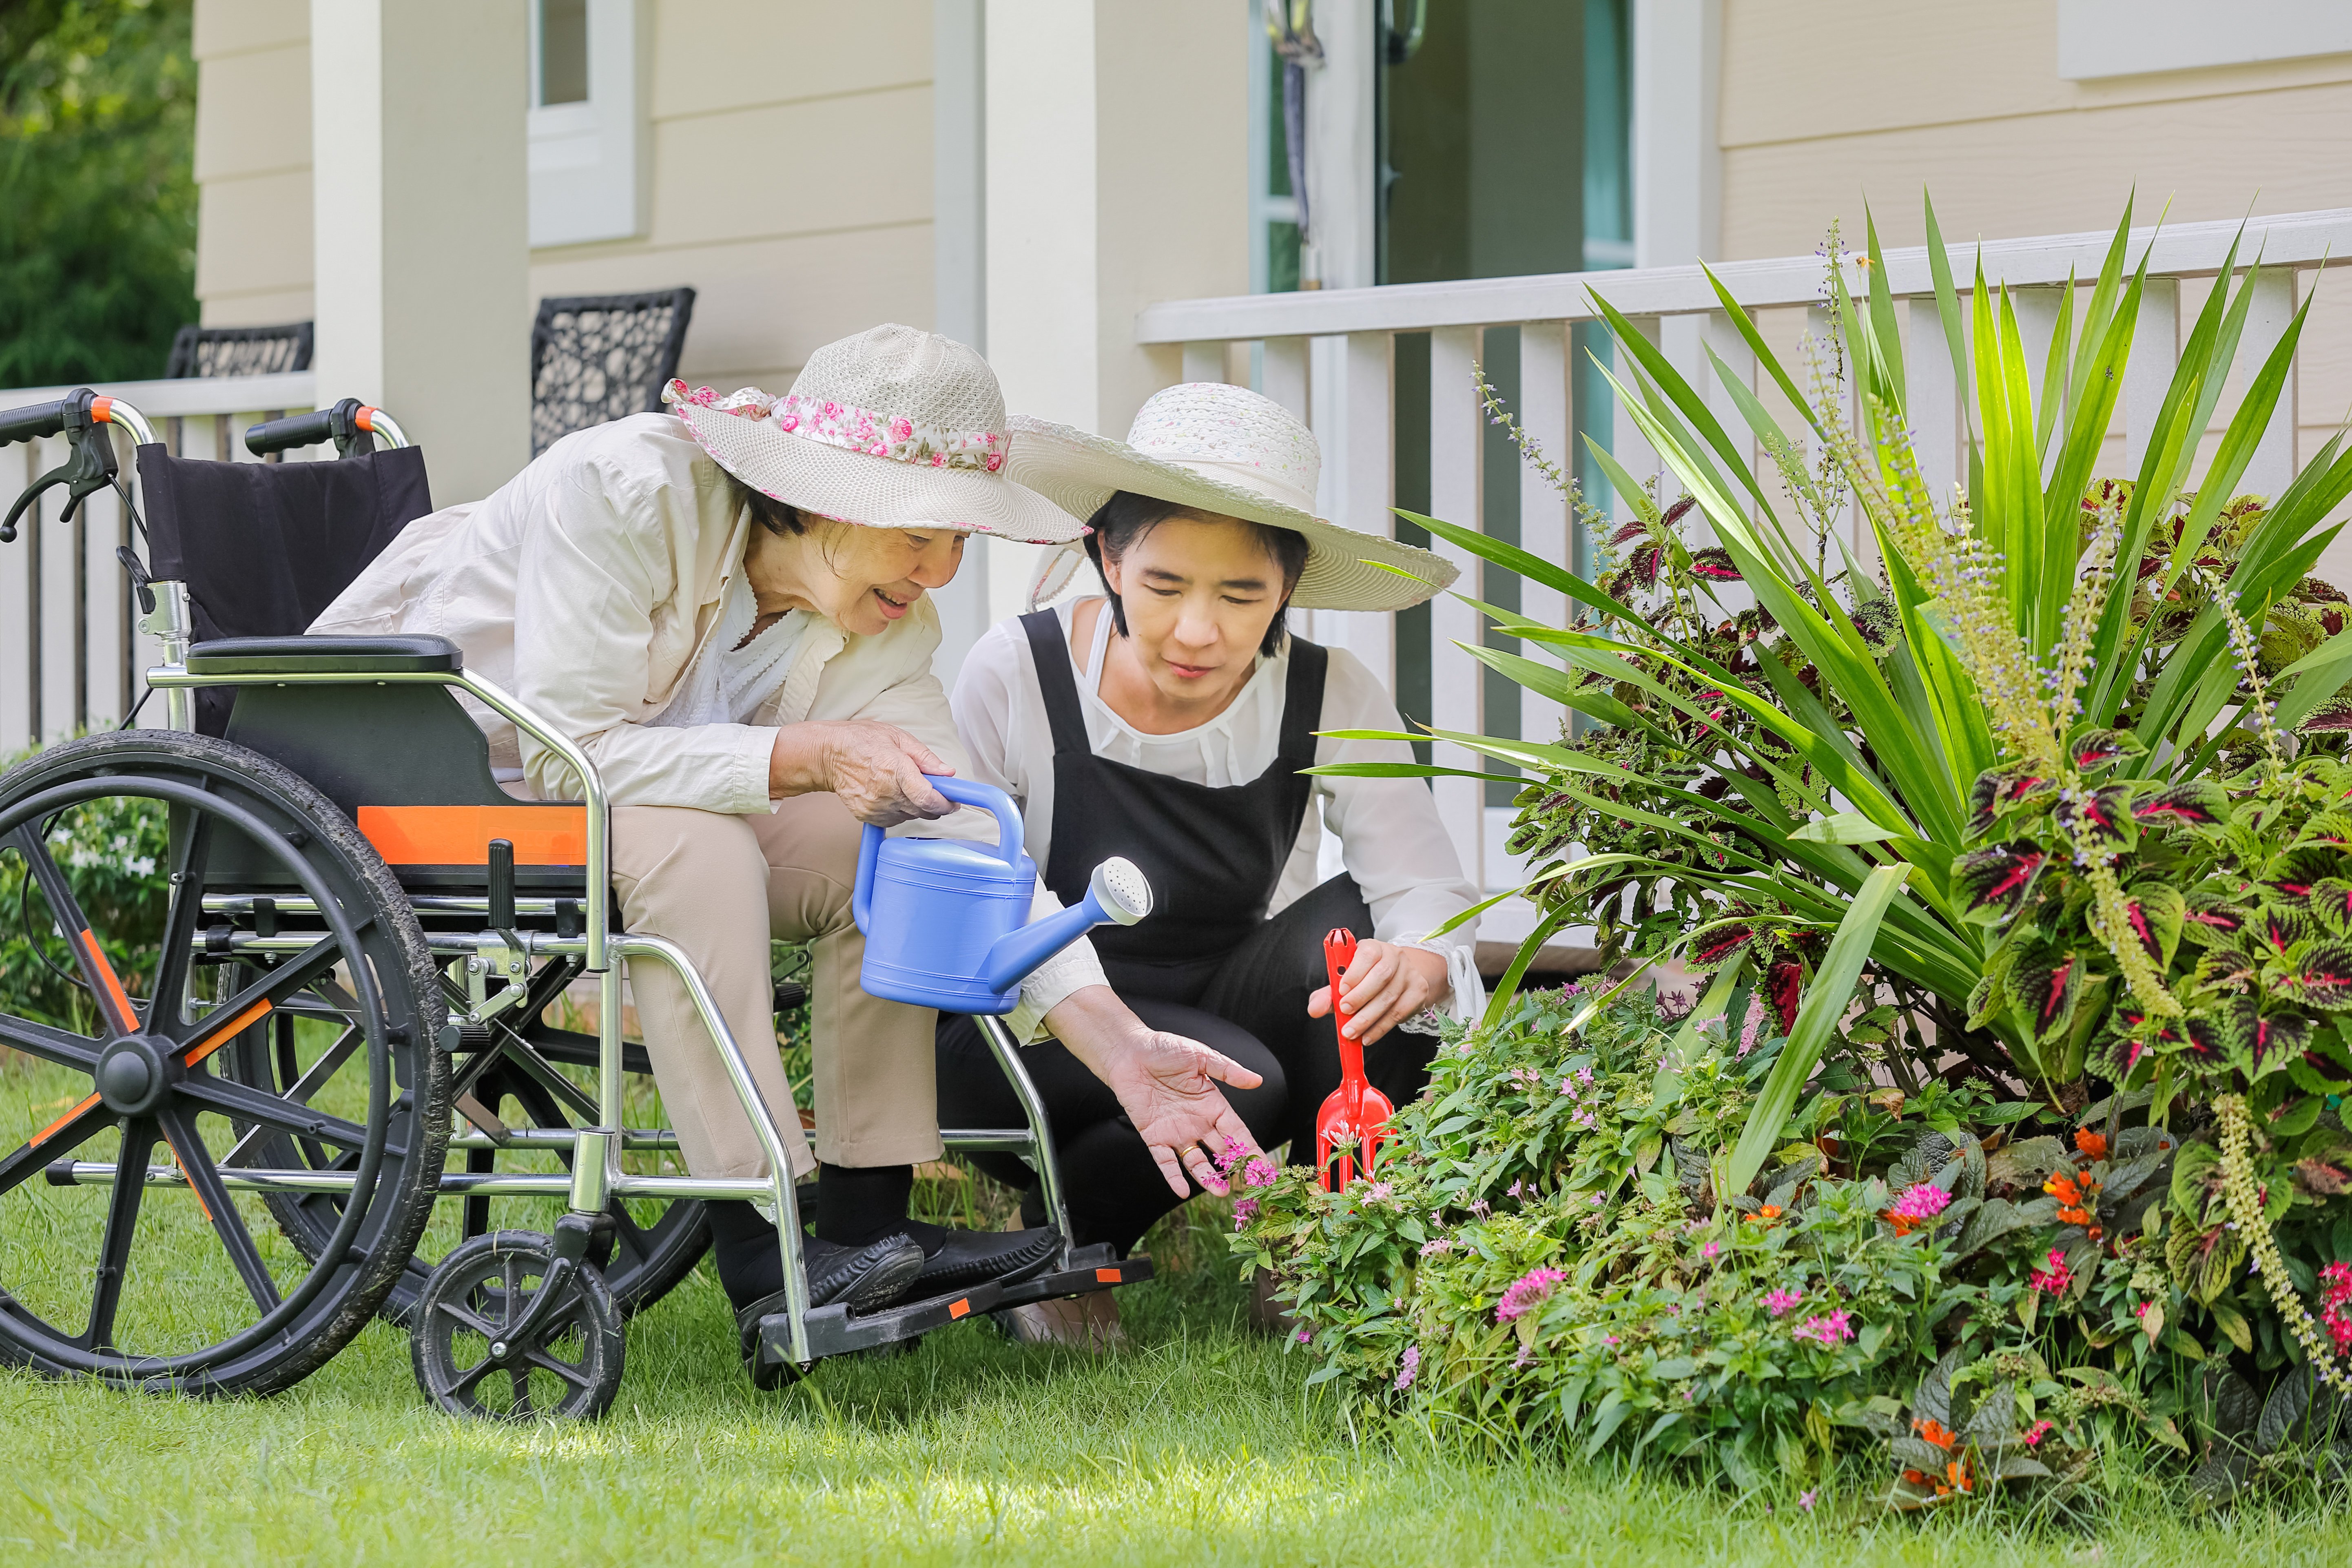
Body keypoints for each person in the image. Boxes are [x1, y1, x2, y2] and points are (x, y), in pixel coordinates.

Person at [310, 326, 1265, 1377]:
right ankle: (766, 1252)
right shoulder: (628, 490)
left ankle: (867, 1228)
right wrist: (802, 752)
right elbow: (565, 750)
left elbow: (966, 826)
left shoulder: (885, 626)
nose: (943, 569)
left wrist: (1122, 1044)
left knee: (902, 844)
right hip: (444, 777)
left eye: (960, 542)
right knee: (705, 847)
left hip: (621, 799)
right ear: (823, 495)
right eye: (924, 534)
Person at [939, 381, 1486, 1344]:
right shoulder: (1016, 670)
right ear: (1107, 556)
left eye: (1242, 595)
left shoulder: (1328, 688)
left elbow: (1423, 884)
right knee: (1252, 1080)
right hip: (1025, 1025)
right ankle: (1067, 1249)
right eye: (1164, 587)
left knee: (1367, 941)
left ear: (1289, 586)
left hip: (1219, 990)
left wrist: (1425, 958)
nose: (1200, 631)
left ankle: (1330, 1251)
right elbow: (973, 898)